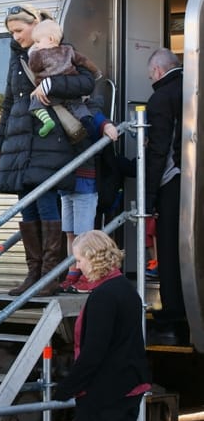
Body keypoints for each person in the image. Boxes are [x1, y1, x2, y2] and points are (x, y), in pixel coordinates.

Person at [0, 4, 95, 296]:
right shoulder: (17, 57)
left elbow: (88, 81)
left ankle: (51, 275)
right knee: (27, 206)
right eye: (12, 32)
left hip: (50, 143)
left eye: (19, 31)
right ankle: (34, 273)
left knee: (46, 202)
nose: (16, 37)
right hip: (21, 144)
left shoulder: (61, 49)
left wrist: (50, 84)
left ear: (36, 24)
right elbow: (9, 104)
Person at [54, 230, 151, 421]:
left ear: (93, 258)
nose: (77, 265)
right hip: (129, 390)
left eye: (80, 259)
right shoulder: (126, 290)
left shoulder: (103, 297)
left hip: (102, 395)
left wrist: (65, 388)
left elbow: (93, 354)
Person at [144, 47, 186, 345]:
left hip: (174, 182)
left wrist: (148, 196)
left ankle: (173, 318)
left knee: (169, 252)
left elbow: (159, 150)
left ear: (158, 72)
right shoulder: (192, 88)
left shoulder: (161, 98)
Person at [59, 97, 120, 294]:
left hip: (85, 179)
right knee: (70, 232)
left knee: (84, 234)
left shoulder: (90, 107)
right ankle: (73, 272)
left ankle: (89, 276)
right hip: (65, 180)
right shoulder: (59, 102)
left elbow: (101, 121)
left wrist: (108, 126)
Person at [27, 19, 102, 137]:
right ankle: (86, 119)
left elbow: (34, 67)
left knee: (35, 100)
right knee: (77, 105)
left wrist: (32, 53)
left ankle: (47, 121)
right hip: (70, 90)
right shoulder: (69, 50)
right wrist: (96, 72)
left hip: (50, 92)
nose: (36, 45)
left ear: (50, 39)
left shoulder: (40, 54)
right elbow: (84, 61)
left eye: (37, 41)